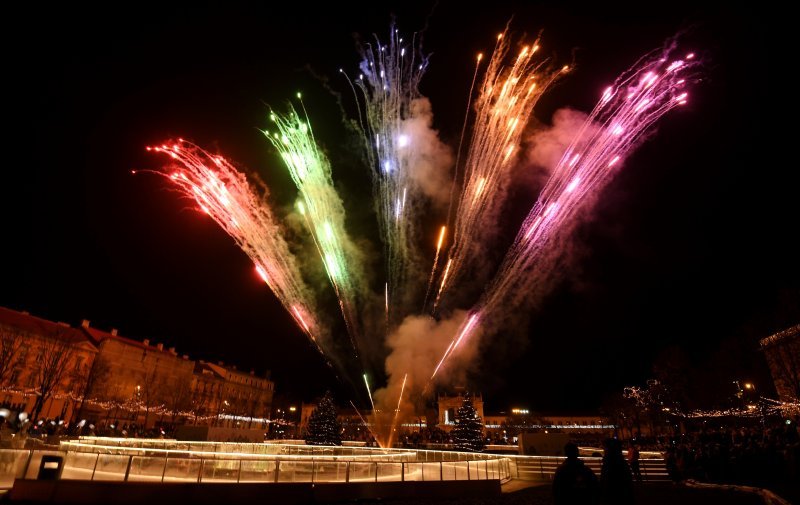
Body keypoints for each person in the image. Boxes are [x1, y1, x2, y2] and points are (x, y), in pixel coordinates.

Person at [600, 438, 634, 504]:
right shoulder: (622, 463)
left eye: (605, 448)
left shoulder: (609, 464)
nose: (604, 450)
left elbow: (606, 484)